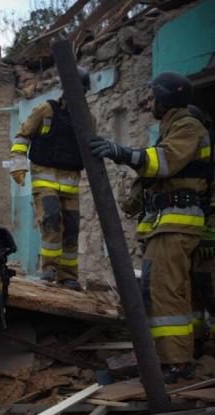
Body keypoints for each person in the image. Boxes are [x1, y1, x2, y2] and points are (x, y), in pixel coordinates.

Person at [91, 72, 210, 382]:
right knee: (173, 290)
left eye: (152, 96)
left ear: (166, 98)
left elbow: (164, 162)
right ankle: (183, 352)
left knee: (163, 291)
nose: (148, 102)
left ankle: (176, 362)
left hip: (176, 223)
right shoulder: (172, 128)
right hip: (166, 223)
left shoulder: (188, 126)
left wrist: (120, 152)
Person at [8, 67, 94, 291]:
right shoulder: (45, 110)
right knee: (52, 219)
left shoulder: (87, 119)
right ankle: (49, 269)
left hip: (71, 183)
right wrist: (17, 166)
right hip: (45, 177)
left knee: (72, 228)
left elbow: (90, 150)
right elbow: (22, 136)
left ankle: (68, 276)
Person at [185, 104, 214, 354]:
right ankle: (196, 341)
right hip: (194, 231)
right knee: (192, 289)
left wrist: (210, 234)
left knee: (209, 289)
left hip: (208, 237)